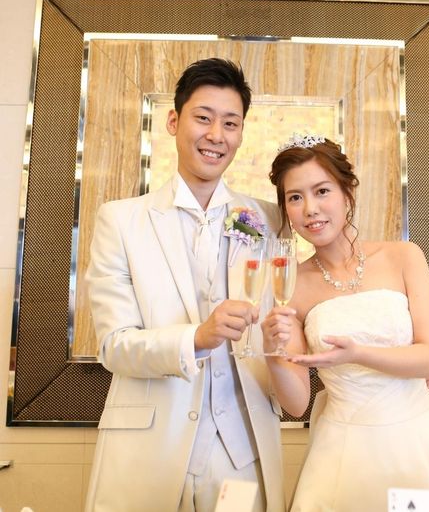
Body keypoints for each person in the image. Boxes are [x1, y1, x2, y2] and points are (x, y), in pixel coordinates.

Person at [261, 135, 429, 512]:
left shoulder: (403, 257)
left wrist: (357, 353)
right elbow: (297, 401)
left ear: (347, 193)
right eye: (295, 197)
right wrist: (273, 354)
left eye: (321, 191)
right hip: (345, 449)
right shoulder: (292, 284)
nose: (310, 209)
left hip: (422, 435)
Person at [84, 58, 285, 512]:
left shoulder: (268, 219)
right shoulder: (121, 221)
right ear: (174, 121)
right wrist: (197, 337)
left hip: (243, 452)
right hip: (150, 451)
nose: (217, 135)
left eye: (230, 123)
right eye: (203, 118)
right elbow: (114, 346)